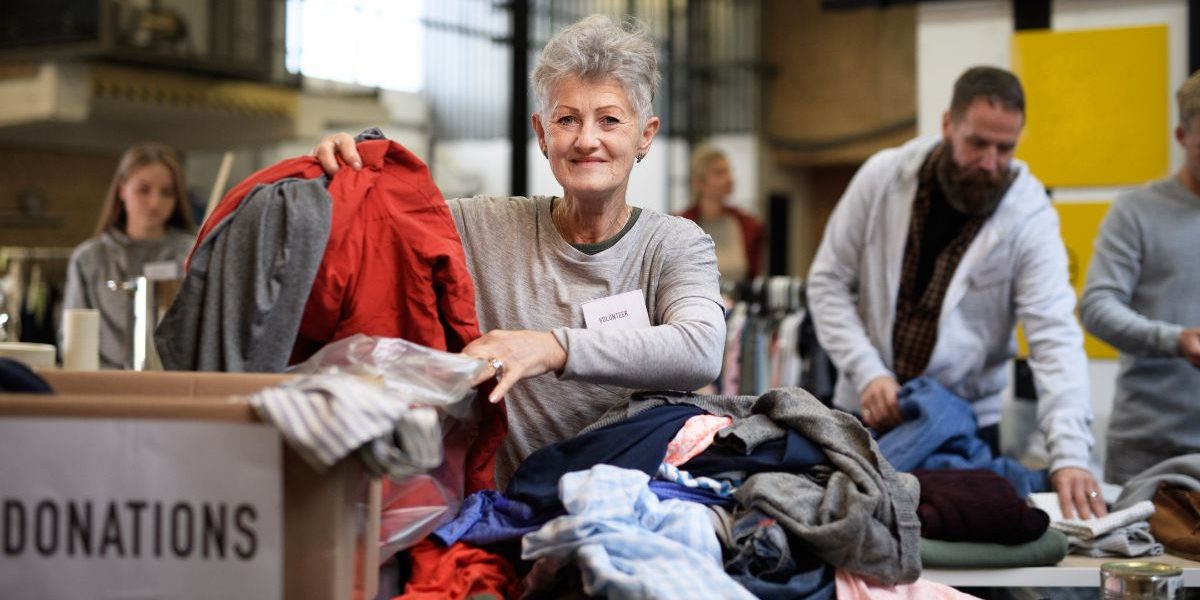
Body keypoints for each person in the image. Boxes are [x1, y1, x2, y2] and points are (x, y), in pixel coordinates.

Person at [314, 14, 725, 483]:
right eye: (567, 119)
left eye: (609, 120)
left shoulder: (674, 244)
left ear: (645, 135)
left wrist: (549, 348)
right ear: (542, 134)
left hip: (623, 508)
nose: (586, 140)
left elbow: (700, 349)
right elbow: (378, 220)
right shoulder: (479, 225)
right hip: (498, 509)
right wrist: (342, 168)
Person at [806, 66, 1104, 518]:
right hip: (864, 409)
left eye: (1005, 148)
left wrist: (1070, 455)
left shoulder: (1030, 217)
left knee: (959, 543)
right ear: (948, 124)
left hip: (966, 424)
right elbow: (827, 282)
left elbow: (1054, 338)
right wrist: (868, 370)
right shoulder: (884, 177)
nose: (990, 163)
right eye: (977, 144)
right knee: (856, 533)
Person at [1081, 70, 1200, 484]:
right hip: (1148, 446)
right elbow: (1097, 306)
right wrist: (1175, 340)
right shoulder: (1136, 212)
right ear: (1182, 136)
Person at [63, 142, 196, 370]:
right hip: (103, 382)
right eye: (143, 189)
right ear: (122, 190)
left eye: (167, 192)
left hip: (174, 381)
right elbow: (72, 337)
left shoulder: (192, 254)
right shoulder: (89, 258)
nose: (155, 202)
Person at [678, 144, 763, 282]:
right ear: (699, 181)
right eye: (719, 173)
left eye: (728, 171)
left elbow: (753, 278)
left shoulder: (748, 225)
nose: (729, 179)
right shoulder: (680, 225)